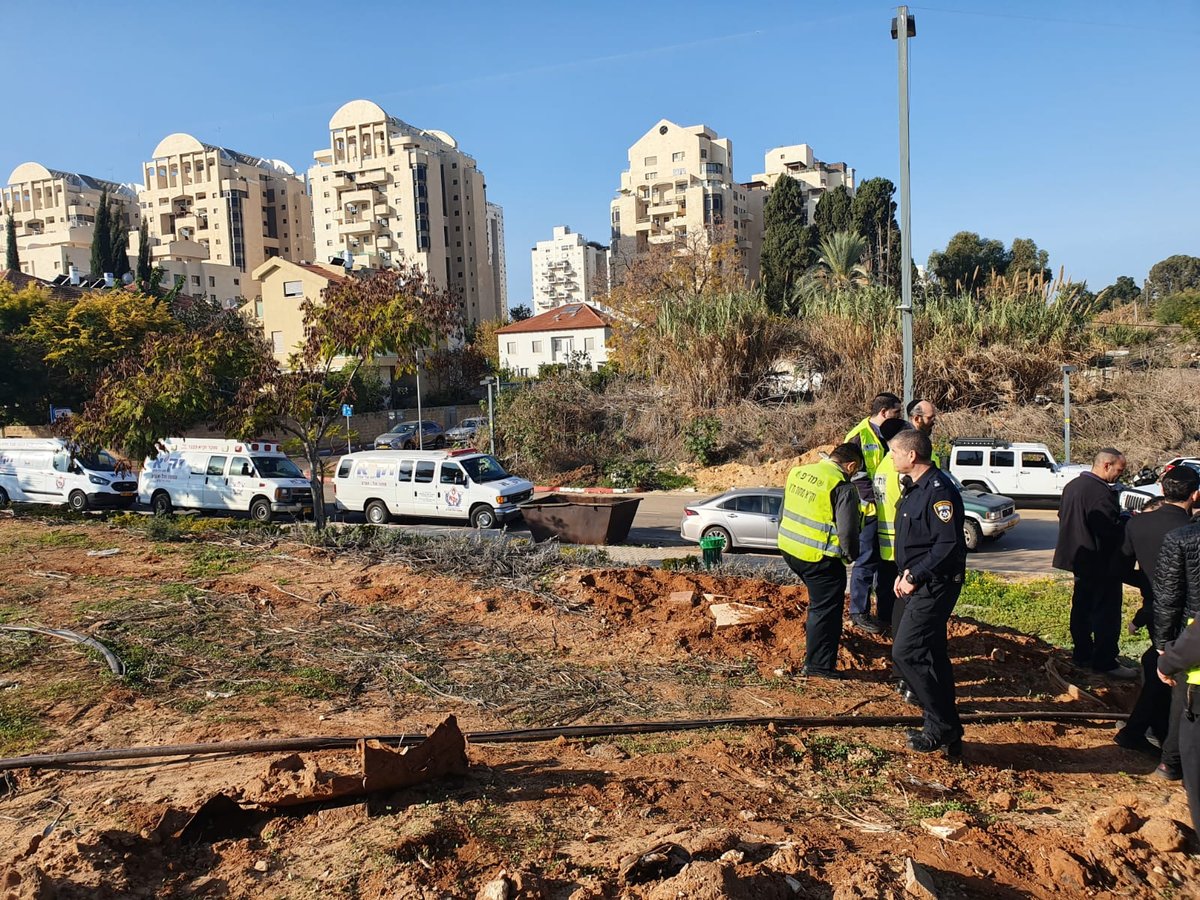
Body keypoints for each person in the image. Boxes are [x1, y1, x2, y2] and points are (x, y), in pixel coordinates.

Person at [889, 428, 968, 755]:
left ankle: (943, 723)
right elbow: (916, 541)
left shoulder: (939, 491)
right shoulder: (915, 488)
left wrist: (916, 575)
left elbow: (948, 544)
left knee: (906, 651)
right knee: (933, 655)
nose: (890, 457)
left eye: (894, 452)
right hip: (916, 580)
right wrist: (903, 573)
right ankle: (946, 727)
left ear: (911, 455)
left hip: (935, 584)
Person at [1117, 467, 1200, 766]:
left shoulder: (1139, 525)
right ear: (1195, 494)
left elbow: (1121, 567)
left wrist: (1148, 583)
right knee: (1174, 680)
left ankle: (1142, 732)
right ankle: (1167, 746)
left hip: (1154, 608)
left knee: (1159, 667)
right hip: (1187, 616)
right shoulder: (1190, 529)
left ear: (1162, 490)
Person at [778, 443, 865, 679]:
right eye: (854, 472)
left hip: (790, 549)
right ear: (851, 465)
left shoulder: (799, 472)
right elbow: (848, 531)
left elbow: (783, 511)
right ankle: (819, 666)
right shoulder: (842, 486)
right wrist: (850, 556)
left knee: (818, 604)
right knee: (826, 610)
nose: (853, 475)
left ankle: (816, 656)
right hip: (818, 558)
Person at [1053, 448, 1137, 679]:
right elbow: (1108, 530)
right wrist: (1126, 521)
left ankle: (1081, 654)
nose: (1121, 475)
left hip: (1079, 559)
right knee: (1106, 614)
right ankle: (1105, 661)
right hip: (1100, 562)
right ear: (1106, 465)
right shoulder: (1100, 493)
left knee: (1081, 608)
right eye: (1119, 470)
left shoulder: (1073, 487)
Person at [1153, 473, 1200, 784]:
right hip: (1190, 635)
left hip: (1190, 636)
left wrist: (1164, 644)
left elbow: (1168, 596)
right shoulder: (1182, 537)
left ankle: (1171, 763)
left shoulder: (1182, 537)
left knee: (1183, 704)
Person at [845, 393, 903, 634]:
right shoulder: (858, 436)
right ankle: (859, 612)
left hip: (888, 513)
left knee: (887, 566)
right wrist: (876, 500)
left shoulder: (893, 433)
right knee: (866, 562)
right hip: (869, 512)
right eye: (896, 412)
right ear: (883, 412)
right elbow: (856, 475)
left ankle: (886, 613)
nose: (899, 417)